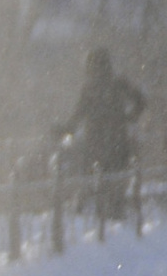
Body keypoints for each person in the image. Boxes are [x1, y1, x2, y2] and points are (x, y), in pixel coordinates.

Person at [59, 47, 148, 216]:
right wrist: (129, 117)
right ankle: (115, 212)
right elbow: (141, 101)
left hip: (96, 142)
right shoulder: (119, 83)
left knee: (97, 179)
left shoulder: (90, 89)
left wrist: (65, 129)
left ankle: (101, 215)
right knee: (116, 179)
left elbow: (78, 115)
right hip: (118, 140)